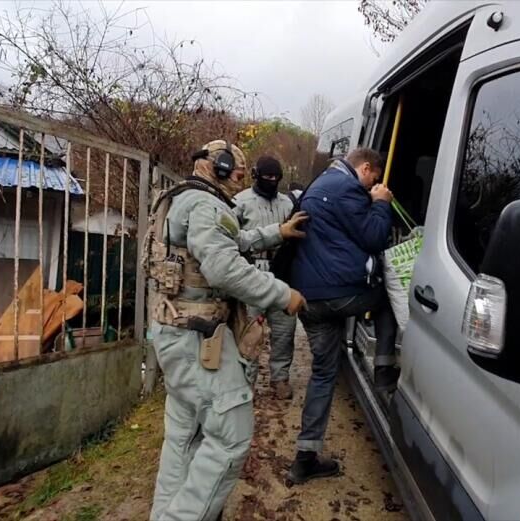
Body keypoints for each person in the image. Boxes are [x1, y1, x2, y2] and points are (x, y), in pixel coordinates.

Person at [146, 140, 307, 521]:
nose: (241, 178)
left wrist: (277, 233)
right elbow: (224, 268)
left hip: (173, 333)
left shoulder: (181, 199)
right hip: (198, 340)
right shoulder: (205, 204)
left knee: (183, 439)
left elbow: (233, 242)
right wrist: (282, 294)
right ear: (218, 167)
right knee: (231, 437)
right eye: (237, 171)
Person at [287, 147, 399, 484]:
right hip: (339, 295)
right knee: (387, 298)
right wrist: (380, 203)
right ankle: (383, 368)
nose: (372, 185)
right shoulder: (349, 188)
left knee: (323, 374)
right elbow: (374, 237)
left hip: (309, 299)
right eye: (373, 179)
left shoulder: (319, 183)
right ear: (366, 168)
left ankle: (304, 459)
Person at [233, 156, 298, 399]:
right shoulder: (240, 202)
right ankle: (245, 382)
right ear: (255, 175)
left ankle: (280, 378)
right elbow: (231, 238)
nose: (271, 181)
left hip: (281, 276)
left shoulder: (288, 204)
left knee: (284, 331)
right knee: (250, 332)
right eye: (267, 177)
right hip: (251, 276)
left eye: (276, 178)